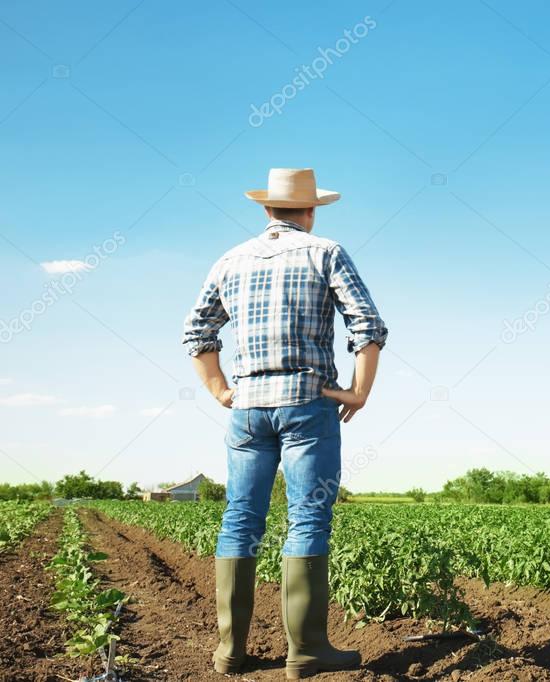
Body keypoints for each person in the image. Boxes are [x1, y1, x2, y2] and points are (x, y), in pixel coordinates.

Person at [182, 167, 387, 678]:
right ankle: (308, 650)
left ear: (267, 209)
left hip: (248, 409)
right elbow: (368, 325)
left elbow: (196, 331)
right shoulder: (326, 252)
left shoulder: (231, 259)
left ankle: (230, 652)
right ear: (311, 210)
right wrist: (359, 392)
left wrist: (221, 390)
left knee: (240, 520)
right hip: (306, 402)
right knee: (308, 519)